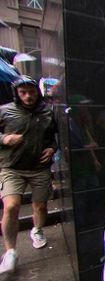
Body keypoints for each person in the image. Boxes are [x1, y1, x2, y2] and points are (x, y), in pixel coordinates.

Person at [0, 76, 57, 274]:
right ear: (16, 93)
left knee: (40, 206)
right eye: (23, 92)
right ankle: (10, 252)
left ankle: (38, 229)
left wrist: (51, 149)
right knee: (12, 206)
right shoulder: (5, 111)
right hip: (12, 168)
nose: (28, 96)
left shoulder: (47, 112)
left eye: (31, 92)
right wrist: (5, 138)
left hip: (39, 168)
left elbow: (54, 138)